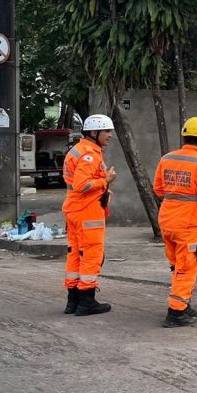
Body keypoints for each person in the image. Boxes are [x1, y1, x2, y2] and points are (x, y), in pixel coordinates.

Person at [154, 117, 197, 328]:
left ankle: (183, 305)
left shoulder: (167, 158)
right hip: (189, 225)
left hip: (167, 222)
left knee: (176, 266)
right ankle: (176, 312)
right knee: (186, 269)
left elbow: (158, 189)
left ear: (184, 135)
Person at [61, 114, 118, 316]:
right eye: (107, 131)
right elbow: (82, 185)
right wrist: (106, 180)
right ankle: (87, 301)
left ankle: (73, 300)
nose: (110, 135)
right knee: (91, 254)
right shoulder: (89, 154)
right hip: (87, 211)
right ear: (94, 133)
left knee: (75, 253)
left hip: (75, 210)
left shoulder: (79, 150)